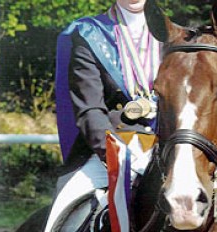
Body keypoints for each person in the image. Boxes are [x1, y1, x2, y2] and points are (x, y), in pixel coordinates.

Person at [44, 0, 162, 231]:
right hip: (110, 148)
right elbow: (90, 110)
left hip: (167, 148)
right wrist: (115, 153)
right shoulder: (90, 35)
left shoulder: (176, 35)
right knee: (58, 219)